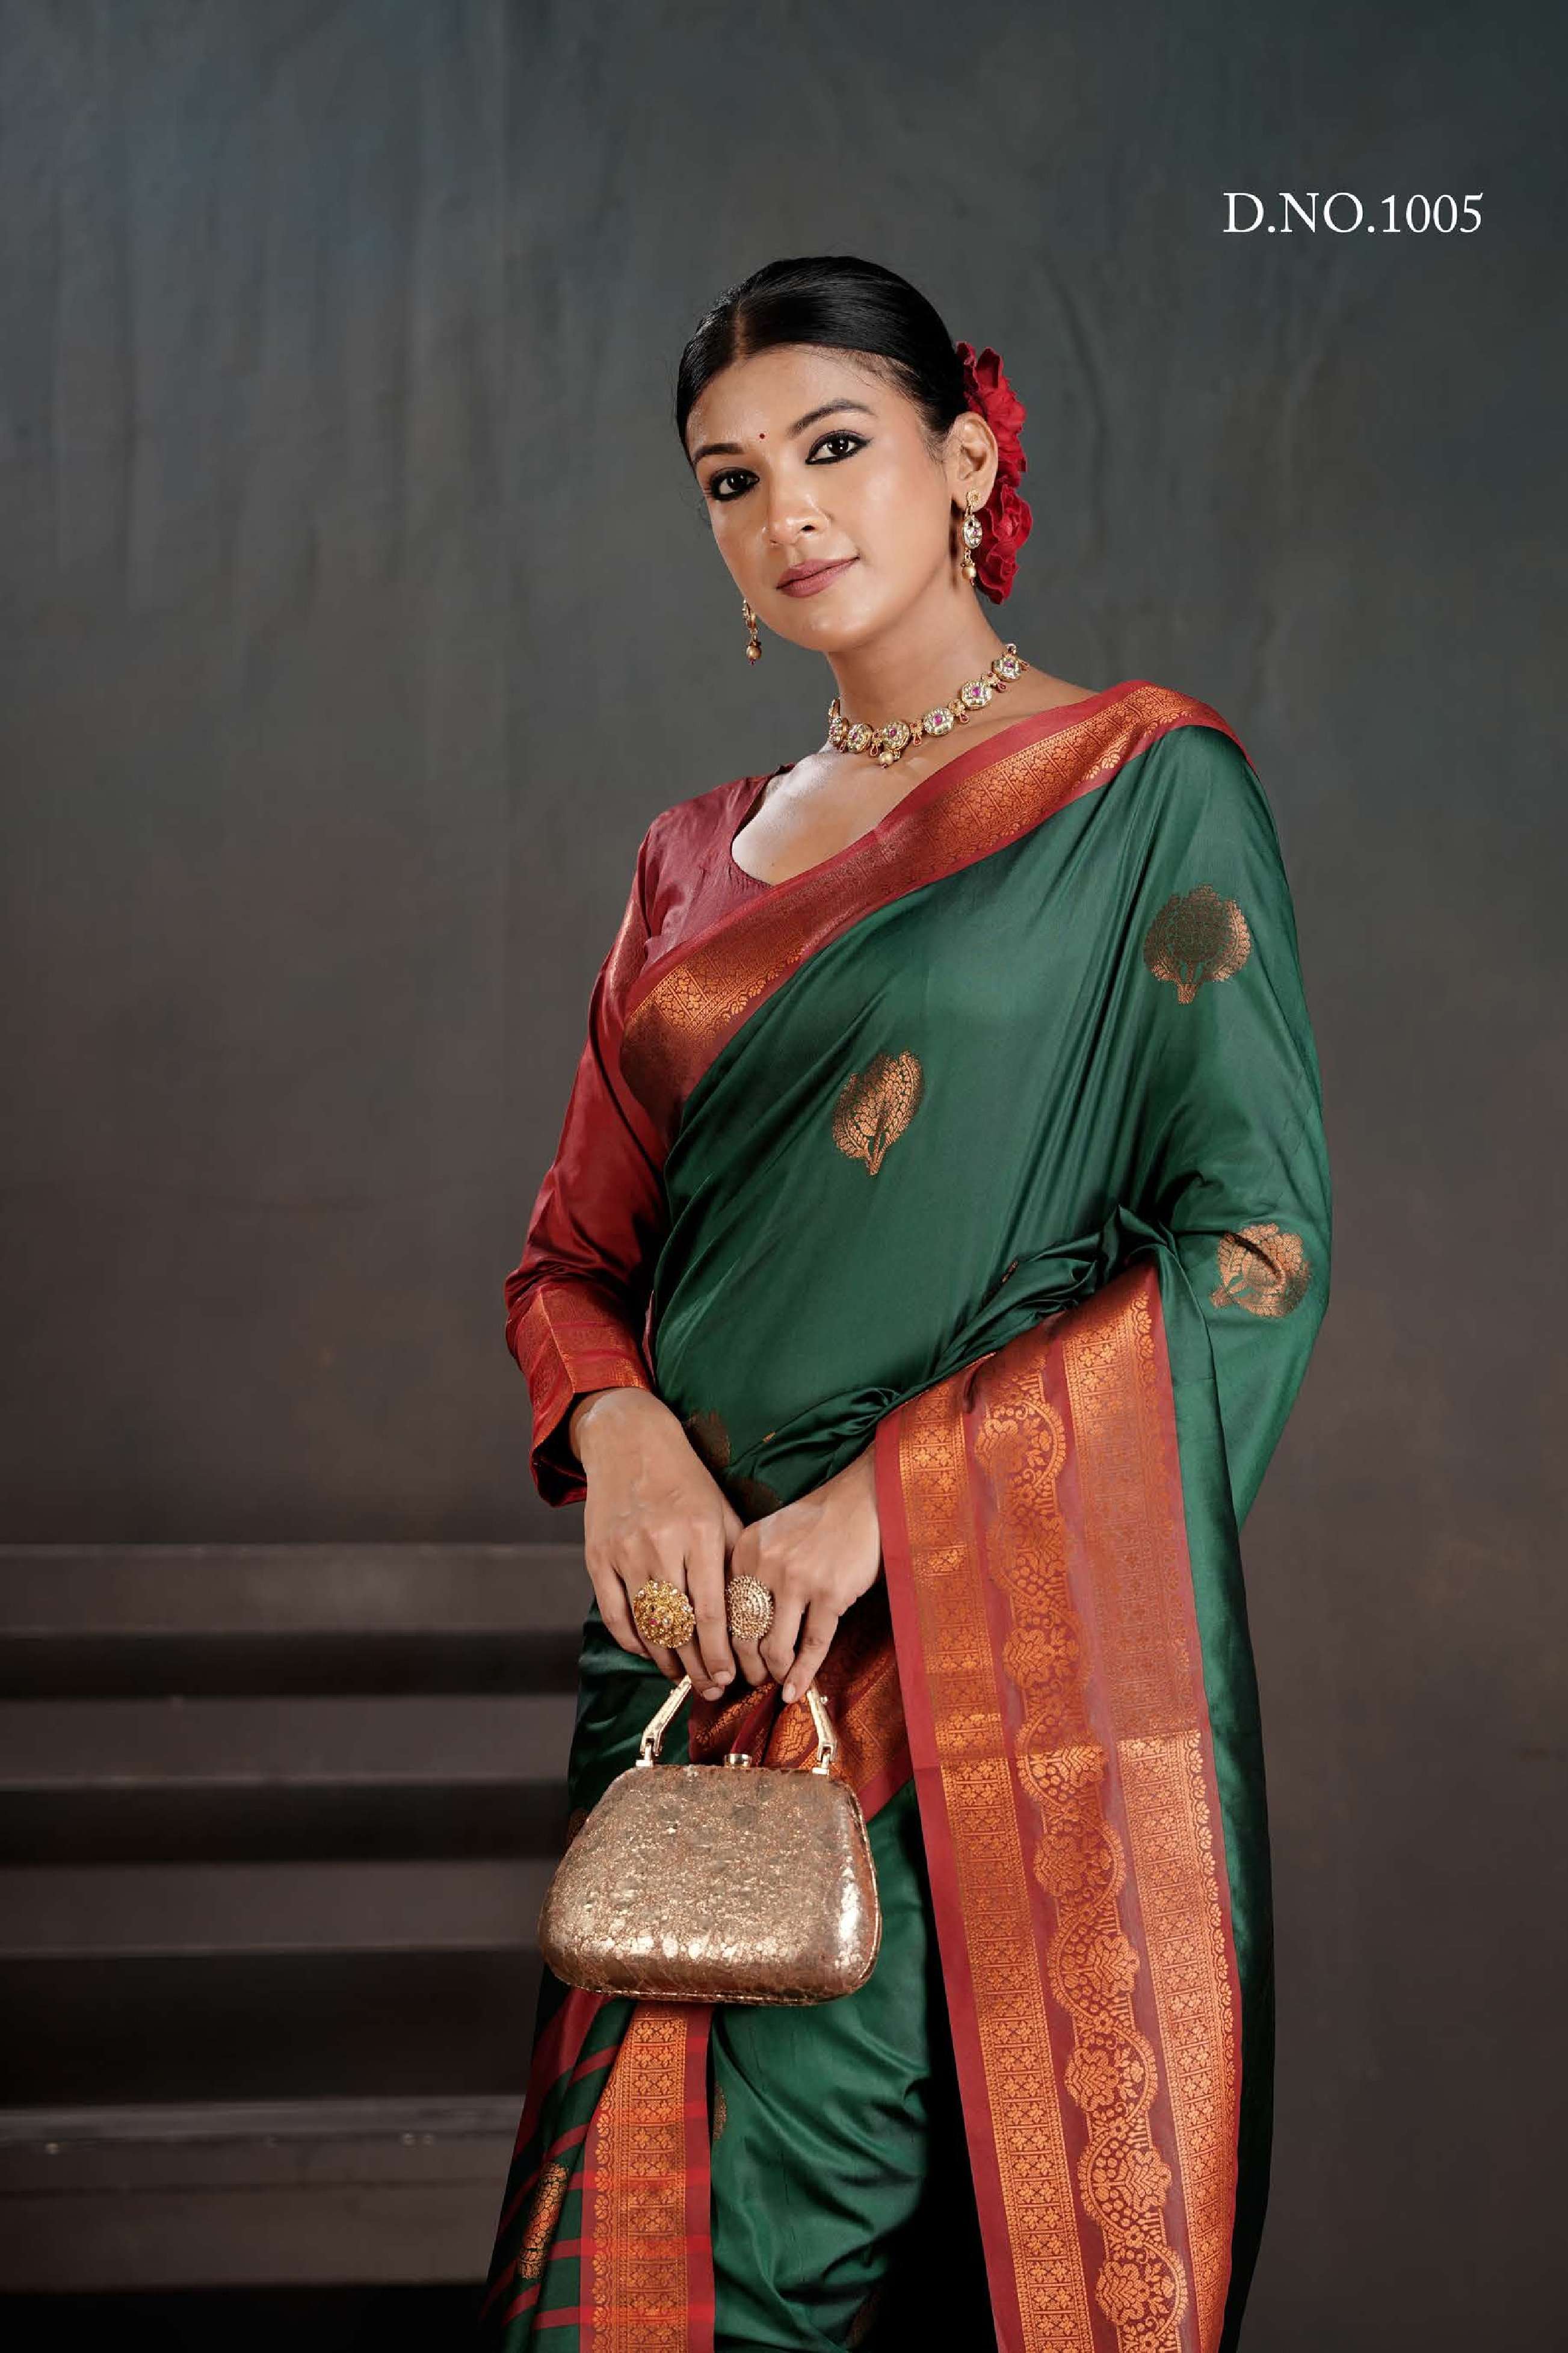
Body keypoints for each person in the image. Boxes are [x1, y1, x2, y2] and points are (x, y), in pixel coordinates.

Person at [479, 254, 1331, 2353]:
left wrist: (893, 1514)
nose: (787, 512)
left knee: (818, 2273)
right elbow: (573, 1264)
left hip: (963, 1661)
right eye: (731, 479)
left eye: (835, 446)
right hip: (699, 1665)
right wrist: (622, 1438)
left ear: (965, 463)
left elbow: (1251, 1245)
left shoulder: (1142, 790)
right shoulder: (690, 862)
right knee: (623, 2286)